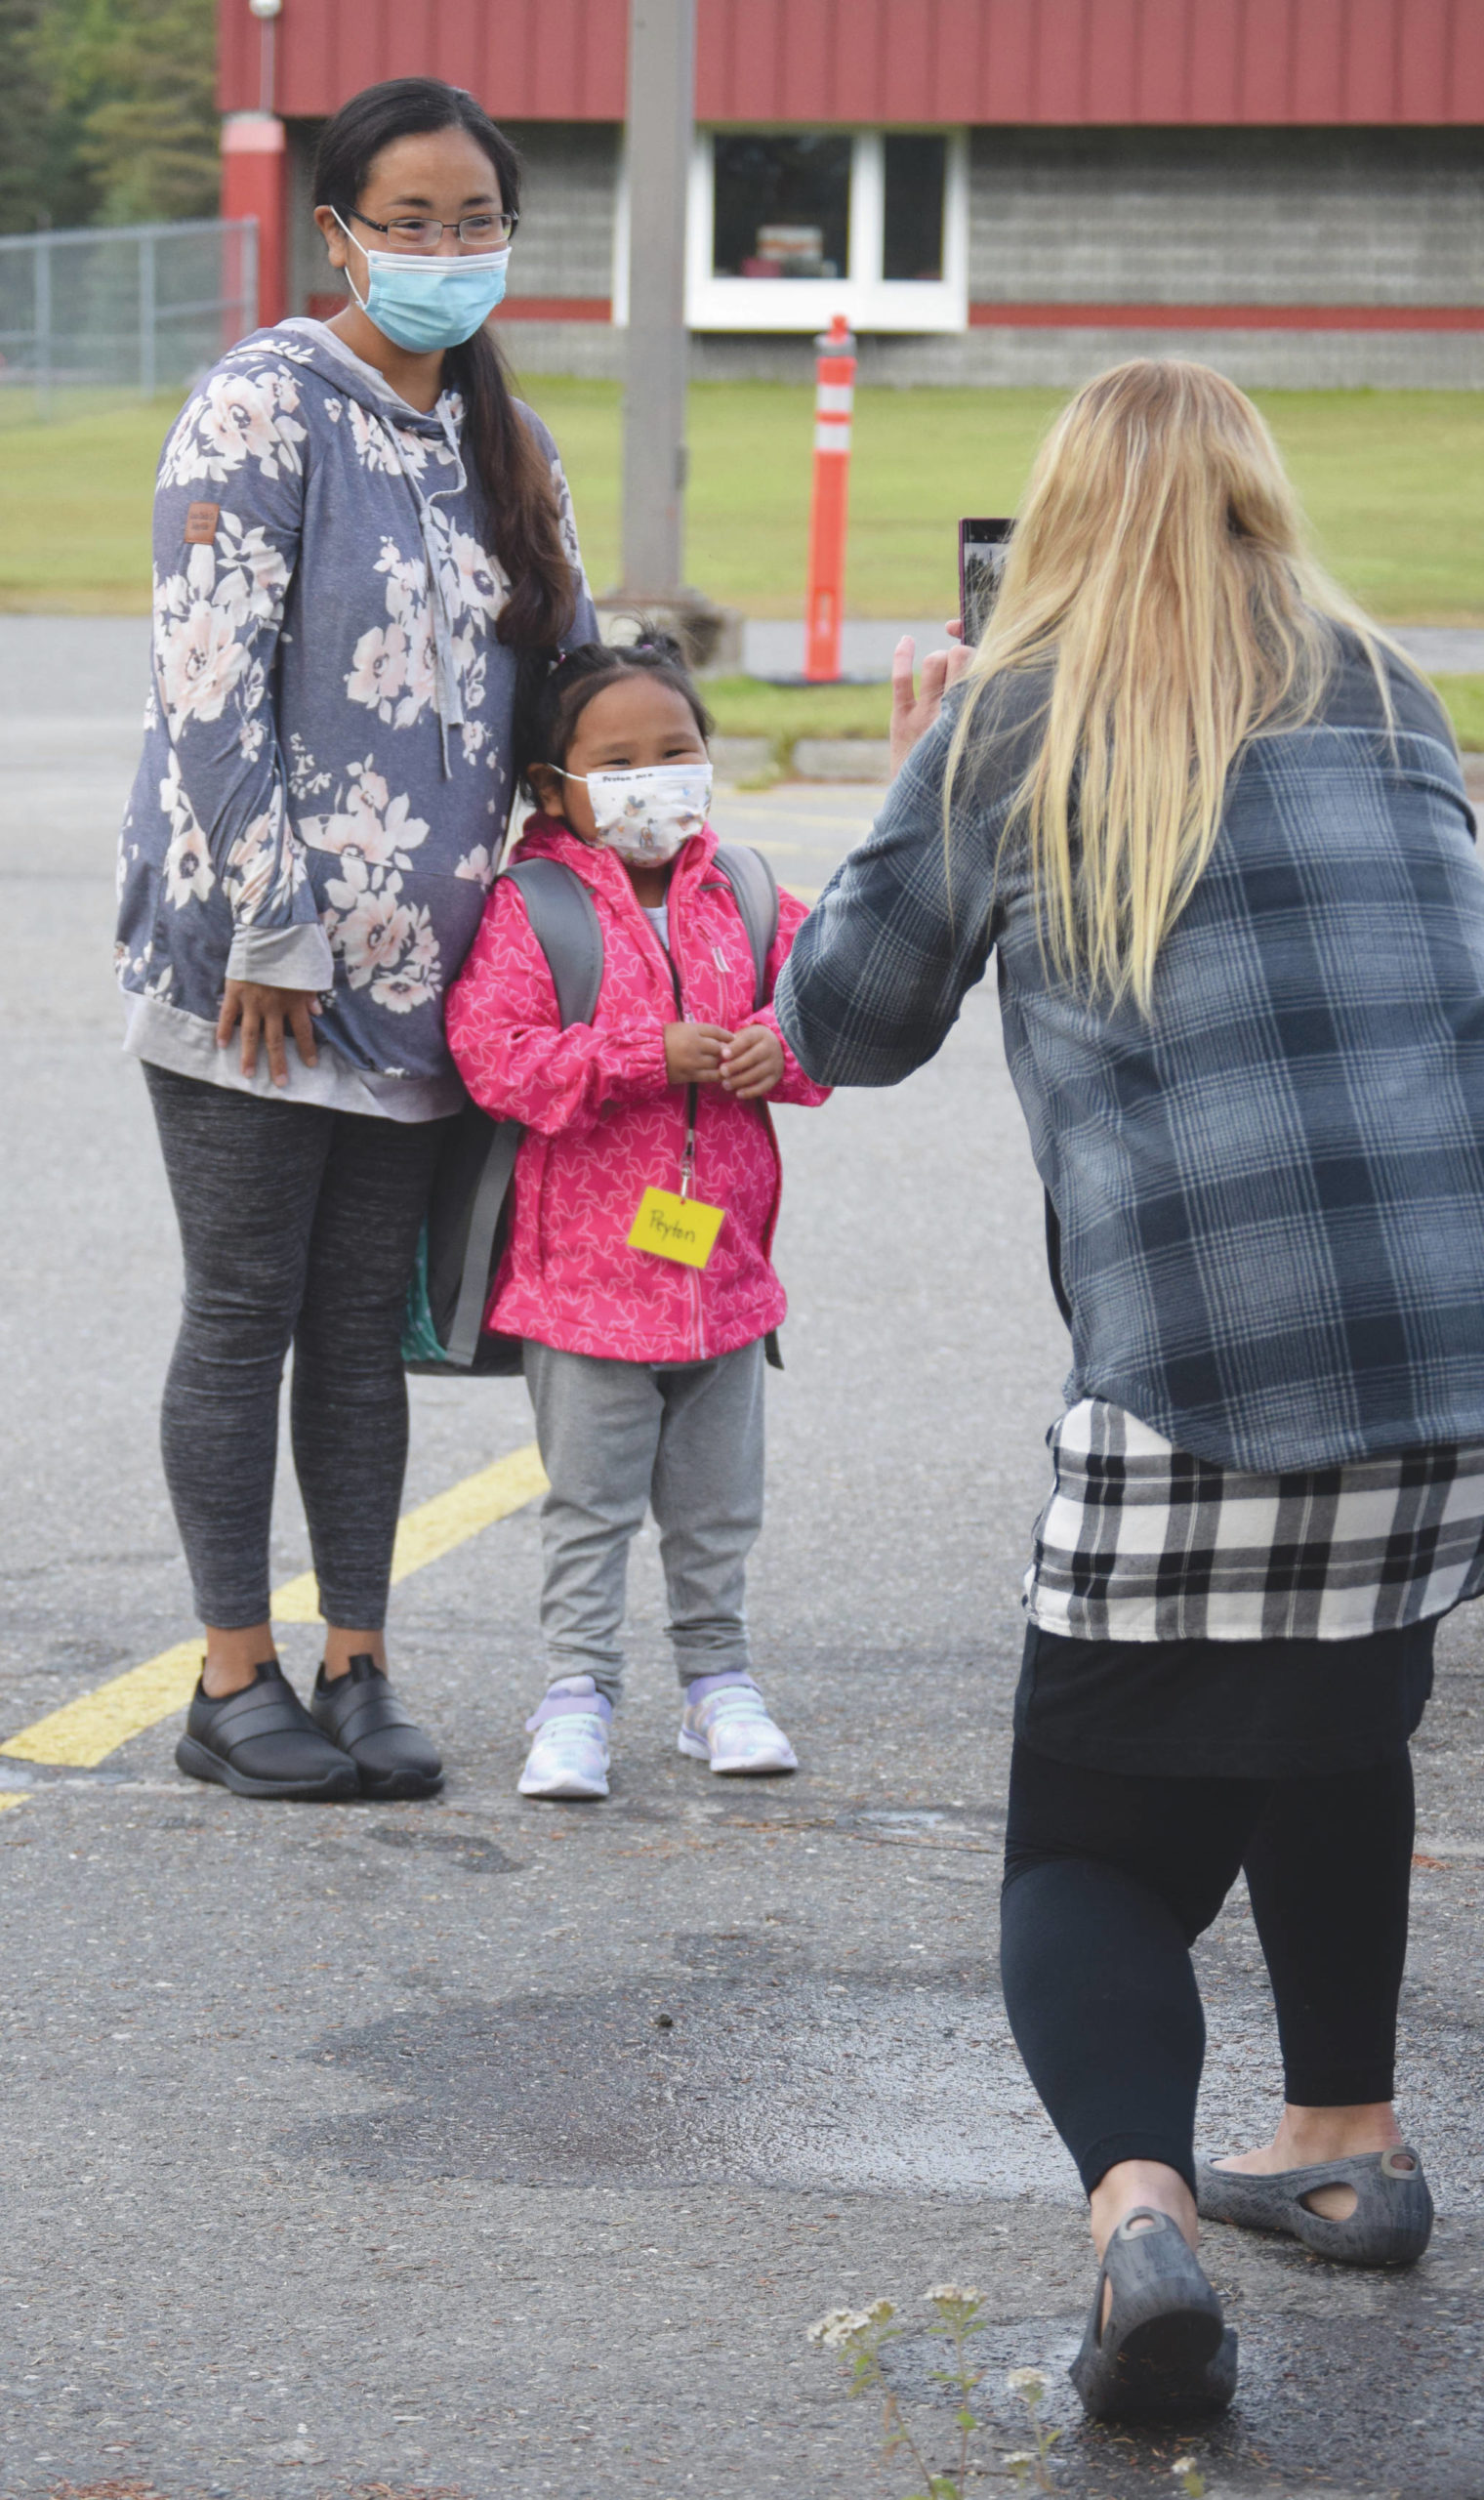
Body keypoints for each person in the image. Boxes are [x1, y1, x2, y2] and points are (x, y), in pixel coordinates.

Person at [774, 358, 1478, 2419]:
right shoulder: (1390, 693)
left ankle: (1139, 2212)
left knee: (1082, 1853)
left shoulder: (1013, 715)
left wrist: (914, 760)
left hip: (1194, 1377)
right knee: (1332, 1697)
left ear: (1055, 520)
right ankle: (1342, 2137)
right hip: (1451, 1366)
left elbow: (845, 1017)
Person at [116, 77, 596, 1804]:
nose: (448, 252)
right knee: (246, 1308)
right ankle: (228, 1677)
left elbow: (573, 684)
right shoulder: (264, 404)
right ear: (339, 233)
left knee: (356, 1324)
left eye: (476, 221)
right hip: (258, 968)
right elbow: (210, 685)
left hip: (428, 986)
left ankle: (361, 1656)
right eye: (411, 221)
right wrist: (270, 917)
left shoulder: (506, 441)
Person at [445, 636, 829, 1800]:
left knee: (716, 1508)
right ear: (554, 786)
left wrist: (786, 1049)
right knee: (591, 1505)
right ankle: (575, 1693)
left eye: (676, 750)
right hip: (583, 1286)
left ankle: (717, 1682)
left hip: (721, 1277)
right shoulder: (534, 907)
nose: (652, 778)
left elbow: (835, 1004)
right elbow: (493, 1058)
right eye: (617, 761)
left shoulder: (746, 892)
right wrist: (639, 1057)